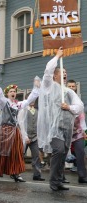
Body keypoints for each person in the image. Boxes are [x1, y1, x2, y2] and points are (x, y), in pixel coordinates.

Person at [37, 48, 84, 191]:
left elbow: (80, 106)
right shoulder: (49, 87)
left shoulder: (69, 91)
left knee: (63, 153)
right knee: (57, 150)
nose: (64, 75)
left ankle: (58, 180)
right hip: (54, 128)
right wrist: (57, 55)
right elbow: (47, 71)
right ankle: (53, 181)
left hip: (67, 128)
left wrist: (69, 107)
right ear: (55, 76)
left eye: (66, 73)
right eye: (62, 73)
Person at [0, 76, 39, 182]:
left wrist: (36, 87)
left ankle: (16, 173)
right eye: (11, 91)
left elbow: (29, 99)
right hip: (5, 130)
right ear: (7, 93)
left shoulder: (18, 104)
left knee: (16, 151)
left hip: (14, 130)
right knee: (2, 151)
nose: (13, 93)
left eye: (14, 91)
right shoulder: (4, 102)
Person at [18, 98, 45, 181]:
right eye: (31, 100)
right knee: (20, 155)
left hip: (35, 137)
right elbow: (20, 123)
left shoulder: (37, 111)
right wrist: (25, 136)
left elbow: (40, 124)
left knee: (36, 155)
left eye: (33, 100)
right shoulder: (23, 110)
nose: (32, 101)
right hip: (24, 137)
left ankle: (37, 175)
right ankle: (16, 173)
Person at [66, 79, 87, 183]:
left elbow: (82, 117)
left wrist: (84, 130)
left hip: (78, 133)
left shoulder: (79, 101)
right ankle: (60, 177)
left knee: (81, 153)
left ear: (75, 87)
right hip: (65, 133)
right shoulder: (63, 99)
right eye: (69, 86)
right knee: (61, 154)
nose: (71, 88)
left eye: (73, 86)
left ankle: (82, 176)